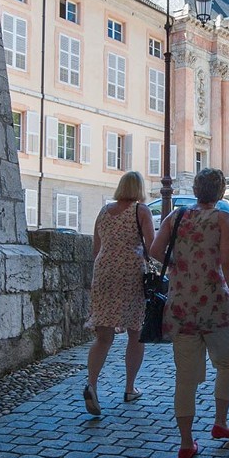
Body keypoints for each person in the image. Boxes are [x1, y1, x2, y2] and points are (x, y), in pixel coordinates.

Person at [149, 167, 229, 458]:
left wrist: (181, 263)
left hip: (181, 303)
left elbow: (154, 251)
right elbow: (228, 263)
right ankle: (220, 422)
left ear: (194, 188)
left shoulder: (175, 217)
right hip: (215, 302)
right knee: (228, 361)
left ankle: (186, 442)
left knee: (185, 377)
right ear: (220, 192)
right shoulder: (222, 218)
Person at [83, 171, 156, 415]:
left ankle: (92, 384)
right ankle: (129, 387)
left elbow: (96, 247)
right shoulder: (141, 211)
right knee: (136, 332)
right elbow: (152, 247)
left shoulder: (104, 211)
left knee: (103, 336)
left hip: (103, 270)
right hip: (131, 272)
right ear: (139, 189)